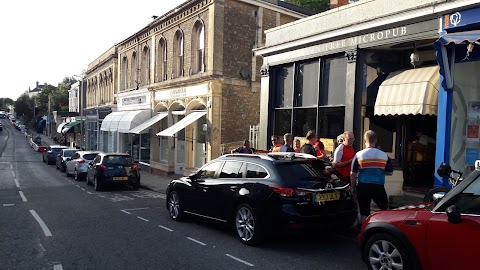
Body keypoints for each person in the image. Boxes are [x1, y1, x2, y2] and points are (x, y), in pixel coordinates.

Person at [350, 130, 393, 224]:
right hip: (378, 187)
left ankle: (363, 231)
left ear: (365, 140)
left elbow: (353, 174)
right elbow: (390, 173)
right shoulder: (384, 155)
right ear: (376, 140)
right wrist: (379, 171)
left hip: (363, 186)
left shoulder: (358, 155)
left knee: (364, 211)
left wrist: (353, 188)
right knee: (385, 209)